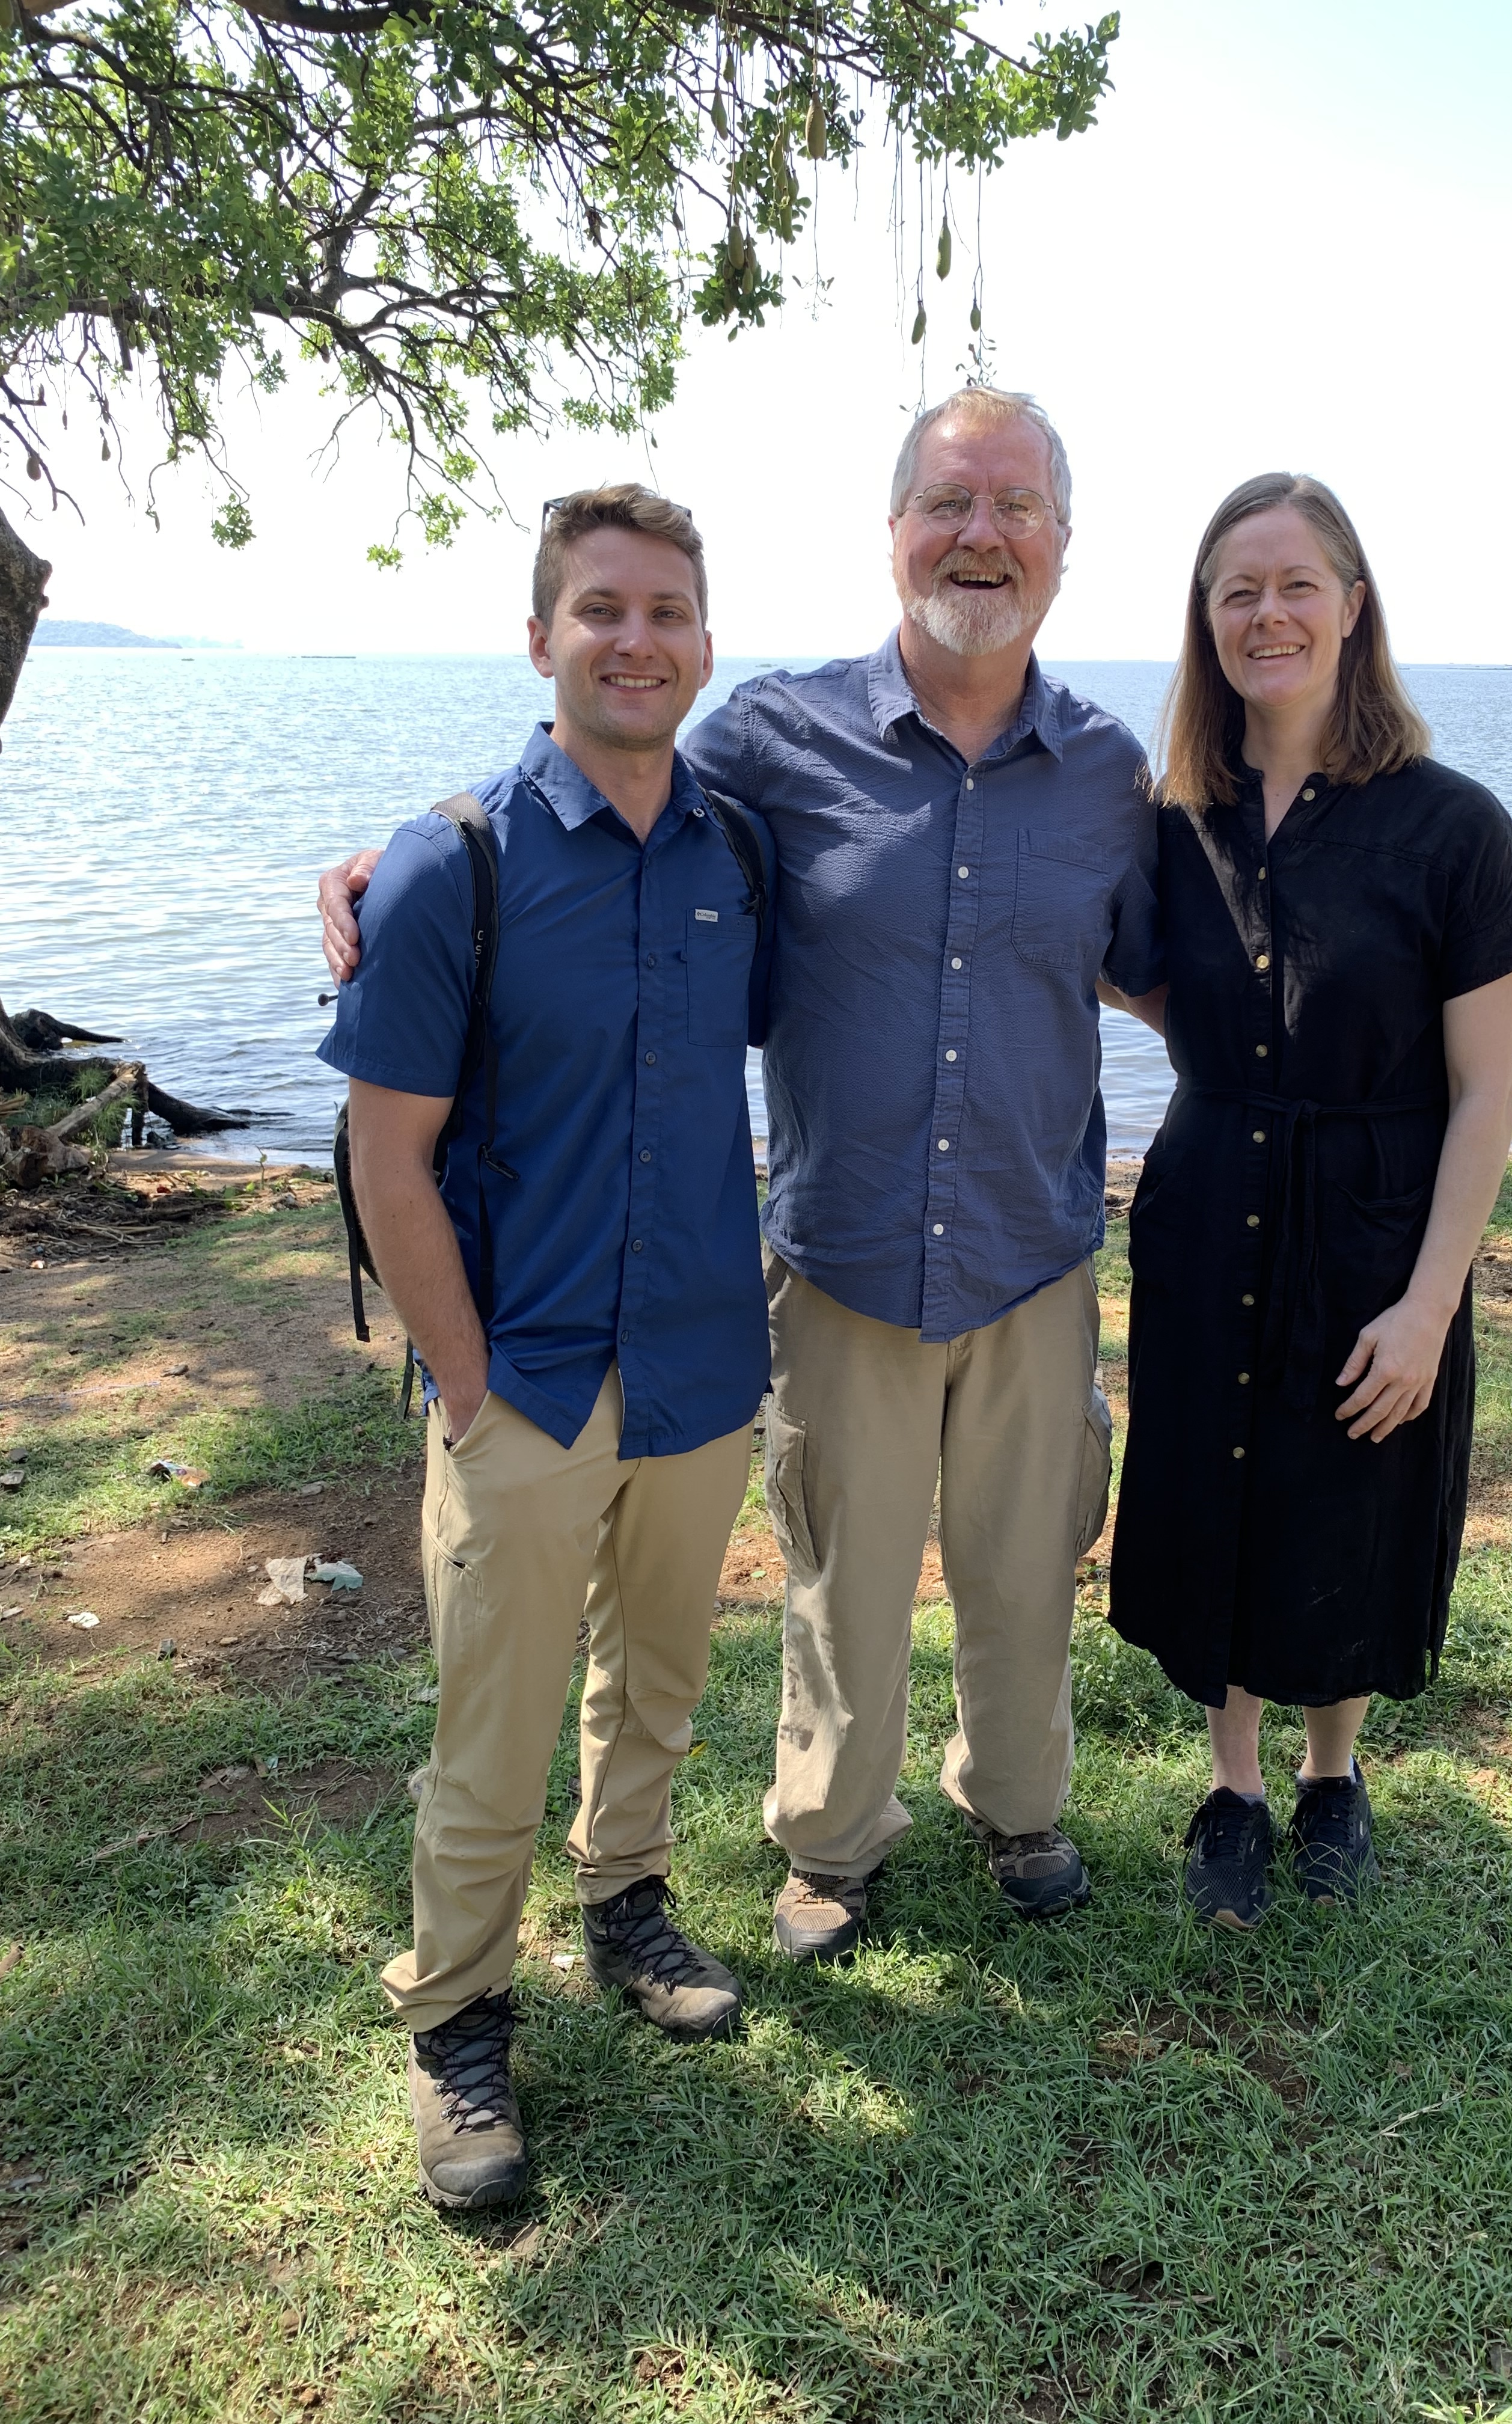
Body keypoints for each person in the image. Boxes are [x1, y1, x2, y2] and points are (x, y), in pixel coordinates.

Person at [320, 388, 1163, 1964]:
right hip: (840, 1249)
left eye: (1014, 507)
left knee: (1025, 1561)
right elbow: (606, 797)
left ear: (1060, 543)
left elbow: (1177, 971)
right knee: (840, 1583)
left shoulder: (1116, 773)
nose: (979, 536)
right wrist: (395, 866)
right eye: (947, 502)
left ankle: (1018, 1809)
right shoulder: (775, 737)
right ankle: (831, 1851)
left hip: (1035, 1248)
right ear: (895, 529)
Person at [320, 483, 774, 2211]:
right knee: (493, 1724)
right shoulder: (461, 858)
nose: (635, 639)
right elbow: (389, 1155)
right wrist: (467, 1375)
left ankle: (629, 1903)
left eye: (666, 612)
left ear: (705, 647)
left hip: (699, 1364)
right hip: (526, 1374)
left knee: (656, 1681)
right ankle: (455, 2017)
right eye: (601, 610)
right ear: (541, 638)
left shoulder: (738, 851)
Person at [1103, 473, 1512, 1930]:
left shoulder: (1453, 828)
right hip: (1211, 1186)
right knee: (1217, 1479)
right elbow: (1135, 969)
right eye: (1238, 589)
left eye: (1297, 584)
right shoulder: (1175, 820)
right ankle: (1230, 1785)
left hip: (1380, 1214)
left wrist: (1429, 1304)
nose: (1268, 613)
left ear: (1354, 608)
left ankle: (1331, 1774)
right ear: (1206, 622)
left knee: (1349, 1486)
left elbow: (1485, 1092)